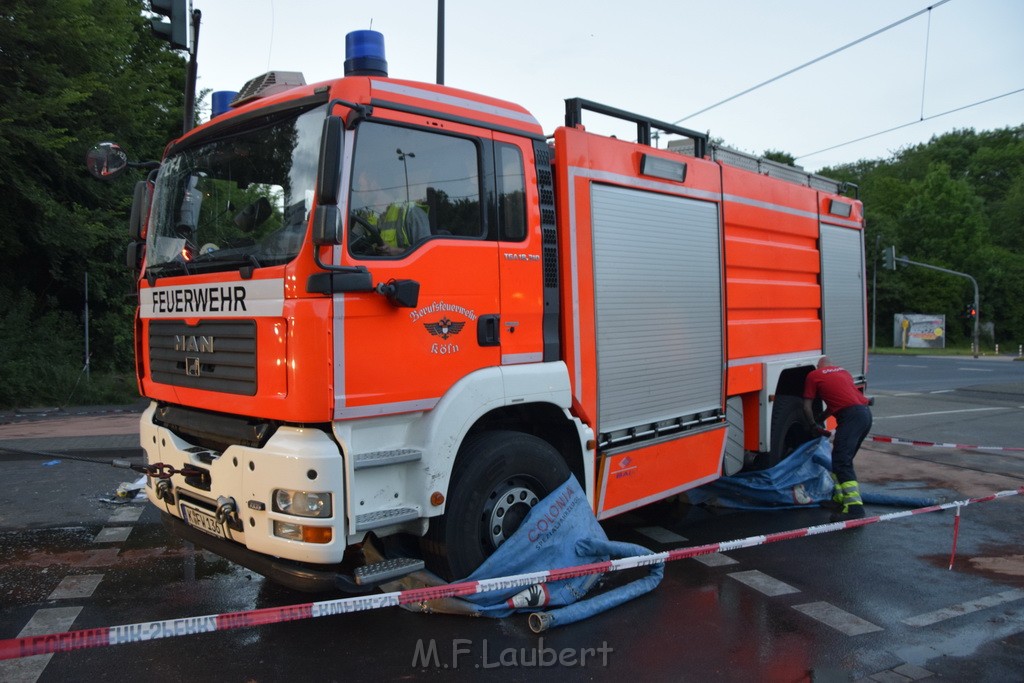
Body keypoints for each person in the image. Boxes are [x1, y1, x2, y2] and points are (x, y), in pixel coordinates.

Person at [802, 356, 872, 521]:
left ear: (818, 366)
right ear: (831, 365)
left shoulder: (814, 375)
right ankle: (840, 499)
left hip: (851, 418)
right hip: (864, 414)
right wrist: (821, 417)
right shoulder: (843, 372)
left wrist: (812, 424)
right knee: (840, 459)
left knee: (842, 462)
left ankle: (854, 508)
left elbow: (806, 406)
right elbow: (839, 402)